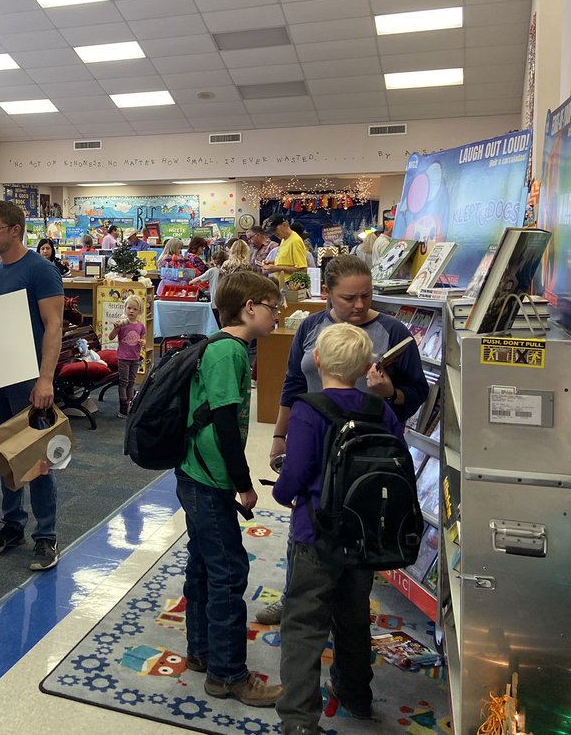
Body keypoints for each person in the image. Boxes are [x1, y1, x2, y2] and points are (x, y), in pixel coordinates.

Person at [259, 253, 428, 626]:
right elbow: (293, 383)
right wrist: (279, 435)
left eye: (366, 296)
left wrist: (388, 393)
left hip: (364, 457)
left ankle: (348, 615)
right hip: (312, 445)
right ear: (328, 294)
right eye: (349, 298)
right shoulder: (311, 327)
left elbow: (416, 391)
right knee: (305, 531)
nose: (360, 305)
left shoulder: (393, 333)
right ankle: (295, 600)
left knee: (357, 532)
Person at [274, 323, 405, 732]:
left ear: (316, 360)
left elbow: (295, 472)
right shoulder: (379, 409)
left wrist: (282, 494)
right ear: (368, 366)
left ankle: (298, 718)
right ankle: (356, 694)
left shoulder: (308, 409)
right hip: (365, 533)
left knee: (303, 621)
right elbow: (398, 457)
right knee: (353, 615)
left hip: (315, 531)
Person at [176, 269, 283, 708]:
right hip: (208, 480)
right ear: (250, 307)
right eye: (273, 307)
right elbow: (223, 423)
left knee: (203, 565)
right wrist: (244, 485)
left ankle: (202, 651)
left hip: (198, 475)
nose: (278, 315)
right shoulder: (229, 353)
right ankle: (228, 674)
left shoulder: (229, 348)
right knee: (227, 573)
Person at [0, 200, 64, 571]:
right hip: (0, 374)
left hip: (29, 376)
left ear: (15, 230)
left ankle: (46, 536)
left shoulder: (40, 270)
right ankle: (12, 525)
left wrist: (45, 379)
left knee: (37, 457)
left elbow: (54, 326)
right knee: (8, 453)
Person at [107, 294, 146, 417]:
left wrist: (143, 342)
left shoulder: (140, 326)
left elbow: (143, 339)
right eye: (129, 308)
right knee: (123, 382)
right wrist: (115, 329)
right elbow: (111, 337)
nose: (131, 311)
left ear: (139, 311)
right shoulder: (122, 324)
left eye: (135, 309)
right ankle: (123, 405)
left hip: (135, 358)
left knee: (131, 382)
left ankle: (130, 402)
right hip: (123, 358)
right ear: (125, 308)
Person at [262, 215, 307, 291]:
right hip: (280, 285)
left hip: (289, 286)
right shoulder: (284, 239)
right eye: (272, 231)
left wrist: (276, 268)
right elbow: (288, 261)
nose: (274, 233)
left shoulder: (295, 241)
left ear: (285, 224)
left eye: (275, 229)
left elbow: (302, 269)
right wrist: (272, 263)